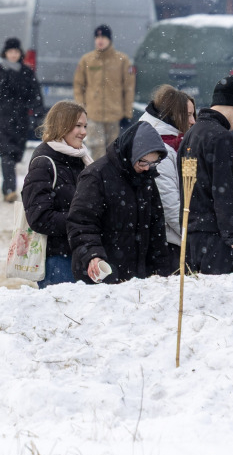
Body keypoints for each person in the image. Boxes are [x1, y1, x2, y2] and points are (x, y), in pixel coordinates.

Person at [67, 122, 172, 284]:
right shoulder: (96, 176)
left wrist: (162, 272)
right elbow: (81, 224)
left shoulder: (146, 178)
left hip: (138, 276)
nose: (146, 168)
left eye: (153, 163)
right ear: (131, 153)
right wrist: (93, 254)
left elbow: (156, 229)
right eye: (143, 162)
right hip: (102, 273)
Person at [179, 76, 233, 275]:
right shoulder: (222, 138)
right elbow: (225, 194)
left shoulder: (191, 133)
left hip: (192, 238)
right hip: (216, 240)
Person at [20, 100, 90, 286]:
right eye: (77, 126)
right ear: (62, 126)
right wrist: (81, 222)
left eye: (85, 126)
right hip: (57, 259)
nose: (83, 132)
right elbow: (39, 217)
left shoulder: (82, 160)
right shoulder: (44, 162)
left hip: (83, 253)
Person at [0, 37, 43, 202]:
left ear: (20, 53)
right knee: (6, 153)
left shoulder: (27, 73)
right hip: (1, 117)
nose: (13, 55)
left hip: (20, 119)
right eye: (10, 52)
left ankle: (8, 185)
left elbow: (35, 95)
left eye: (15, 52)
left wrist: (37, 114)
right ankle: (9, 189)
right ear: (5, 53)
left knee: (16, 153)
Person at [136, 85, 194, 270]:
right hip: (169, 243)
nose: (193, 121)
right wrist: (193, 236)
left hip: (175, 239)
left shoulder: (176, 142)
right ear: (174, 115)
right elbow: (170, 205)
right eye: (189, 115)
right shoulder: (160, 148)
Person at [73, 24, 135, 159]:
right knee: (96, 149)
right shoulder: (87, 60)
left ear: (110, 39)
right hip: (93, 114)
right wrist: (82, 109)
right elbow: (78, 86)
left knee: (113, 151)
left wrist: (127, 113)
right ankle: (98, 178)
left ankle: (111, 179)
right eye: (97, 37)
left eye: (103, 37)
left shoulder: (122, 60)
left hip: (115, 114)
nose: (100, 40)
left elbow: (128, 88)